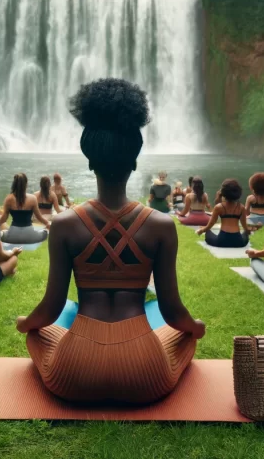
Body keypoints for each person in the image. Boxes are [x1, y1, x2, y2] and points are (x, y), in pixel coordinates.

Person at [17, 78, 203, 404]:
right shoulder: (161, 226)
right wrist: (195, 327)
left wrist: (25, 323)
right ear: (134, 160)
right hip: (145, 373)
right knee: (184, 337)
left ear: (89, 161)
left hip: (75, 372)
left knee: (37, 334)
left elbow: (51, 309)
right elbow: (173, 312)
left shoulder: (63, 225)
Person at [0, 173, 51, 244]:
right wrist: (48, 223)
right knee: (46, 232)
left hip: (12, 236)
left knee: (1, 234)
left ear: (14, 184)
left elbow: (4, 219)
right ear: (26, 184)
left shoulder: (8, 199)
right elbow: (39, 217)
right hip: (30, 237)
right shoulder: (32, 198)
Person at [198, 179, 250, 247]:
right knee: (245, 234)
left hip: (222, 241)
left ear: (223, 192)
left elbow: (211, 224)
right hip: (238, 241)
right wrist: (247, 231)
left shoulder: (219, 207)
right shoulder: (241, 207)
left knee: (208, 233)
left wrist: (202, 230)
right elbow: (244, 225)